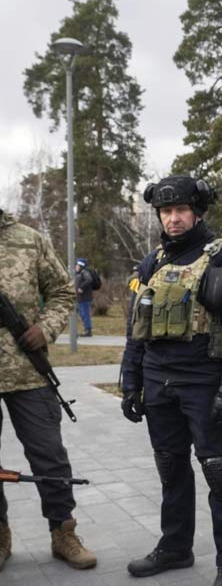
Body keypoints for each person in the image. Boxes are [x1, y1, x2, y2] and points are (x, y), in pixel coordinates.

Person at [119, 176, 222, 586]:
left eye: (181, 210)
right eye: (166, 211)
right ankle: (175, 548)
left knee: (220, 471)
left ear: (196, 212)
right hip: (158, 383)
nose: (174, 218)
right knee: (171, 469)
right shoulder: (152, 262)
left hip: (205, 384)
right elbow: (136, 327)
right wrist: (129, 381)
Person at [0, 209, 96, 571]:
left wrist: (46, 328)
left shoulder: (28, 239)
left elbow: (62, 291)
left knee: (49, 455)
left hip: (28, 371)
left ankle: (63, 532)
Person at [74, 258, 94, 337]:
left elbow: (89, 280)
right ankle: (85, 329)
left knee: (85, 314)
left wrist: (81, 288)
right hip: (80, 298)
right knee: (82, 314)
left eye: (77, 265)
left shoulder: (84, 272)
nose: (75, 267)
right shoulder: (78, 274)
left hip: (84, 298)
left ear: (81, 265)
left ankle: (88, 330)